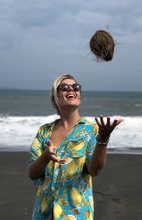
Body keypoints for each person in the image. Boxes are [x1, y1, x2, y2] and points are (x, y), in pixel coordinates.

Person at [28, 74, 123, 220]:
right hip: (44, 213)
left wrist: (103, 139)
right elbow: (32, 174)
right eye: (64, 88)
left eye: (76, 87)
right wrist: (45, 157)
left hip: (76, 215)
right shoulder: (44, 131)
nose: (71, 89)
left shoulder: (91, 130)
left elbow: (94, 170)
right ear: (55, 97)